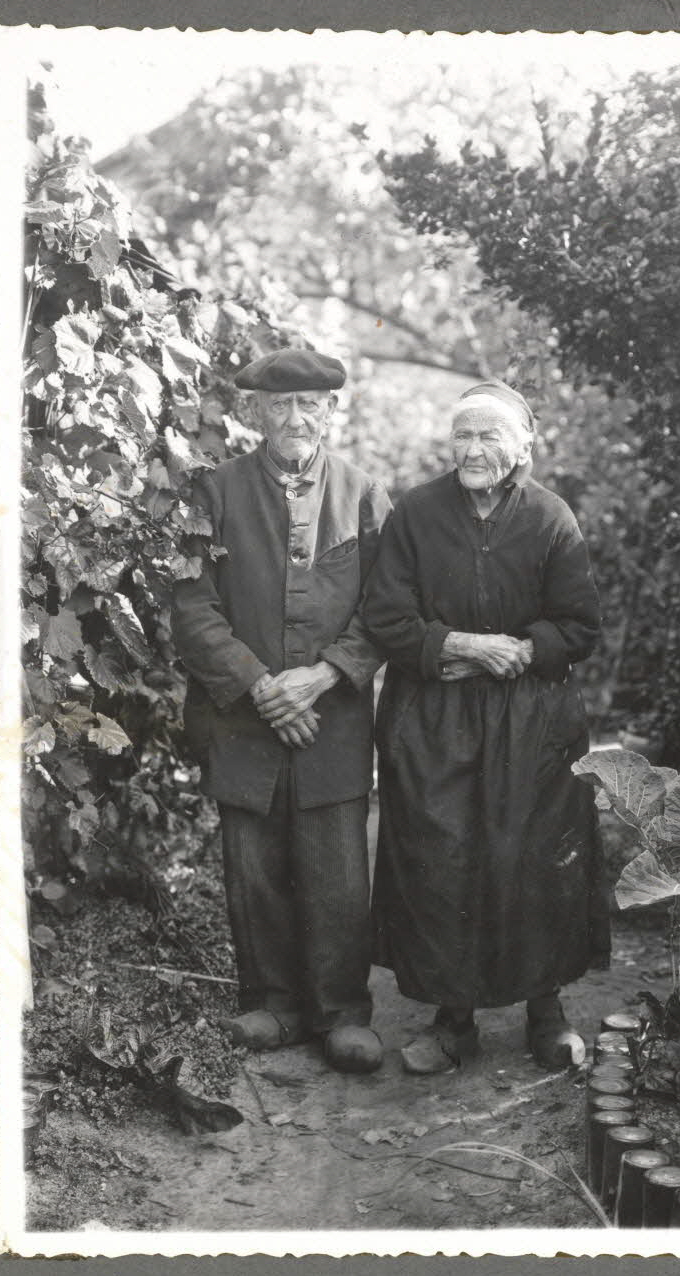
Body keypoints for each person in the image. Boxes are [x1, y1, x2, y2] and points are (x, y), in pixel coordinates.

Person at [362, 378, 611, 1074]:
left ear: (522, 444)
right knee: (443, 857)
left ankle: (546, 1012)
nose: (472, 449)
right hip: (434, 716)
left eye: (488, 435)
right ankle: (452, 1021)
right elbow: (385, 618)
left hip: (531, 717)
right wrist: (468, 647)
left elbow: (580, 624)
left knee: (533, 856)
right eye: (462, 435)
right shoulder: (415, 513)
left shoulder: (551, 518)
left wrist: (519, 652)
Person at [172, 347, 391, 1073]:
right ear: (254, 414)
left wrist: (323, 677)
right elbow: (191, 605)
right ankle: (270, 1002)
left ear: (330, 412)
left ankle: (342, 1012)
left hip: (332, 716)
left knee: (335, 867)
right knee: (254, 861)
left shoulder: (365, 495)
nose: (296, 418)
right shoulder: (214, 493)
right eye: (281, 406)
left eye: (310, 406)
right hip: (243, 715)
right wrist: (262, 684)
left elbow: (387, 609)